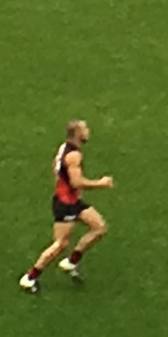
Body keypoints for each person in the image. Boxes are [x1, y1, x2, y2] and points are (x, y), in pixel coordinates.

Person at [20, 118, 113, 291]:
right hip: (66, 204)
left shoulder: (64, 148)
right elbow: (76, 182)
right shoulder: (73, 155)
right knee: (60, 244)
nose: (88, 132)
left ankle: (71, 261)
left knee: (99, 226)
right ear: (78, 133)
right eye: (85, 129)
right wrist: (101, 183)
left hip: (71, 200)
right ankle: (30, 277)